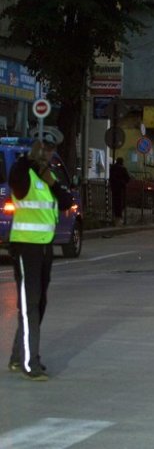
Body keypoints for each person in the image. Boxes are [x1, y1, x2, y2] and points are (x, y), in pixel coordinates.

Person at [8, 137, 74, 381]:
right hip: (26, 247)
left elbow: (66, 201)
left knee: (39, 304)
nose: (48, 153)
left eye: (52, 149)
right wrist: (28, 160)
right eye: (44, 148)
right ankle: (29, 363)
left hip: (45, 248)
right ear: (36, 148)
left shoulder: (47, 176)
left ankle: (18, 357)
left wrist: (51, 180)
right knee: (30, 305)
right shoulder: (22, 171)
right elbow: (16, 182)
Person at [109, 157, 130, 226]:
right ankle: (119, 217)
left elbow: (111, 178)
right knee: (120, 203)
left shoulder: (112, 168)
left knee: (115, 202)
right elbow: (127, 178)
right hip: (121, 188)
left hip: (114, 188)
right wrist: (123, 182)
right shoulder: (123, 168)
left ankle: (114, 215)